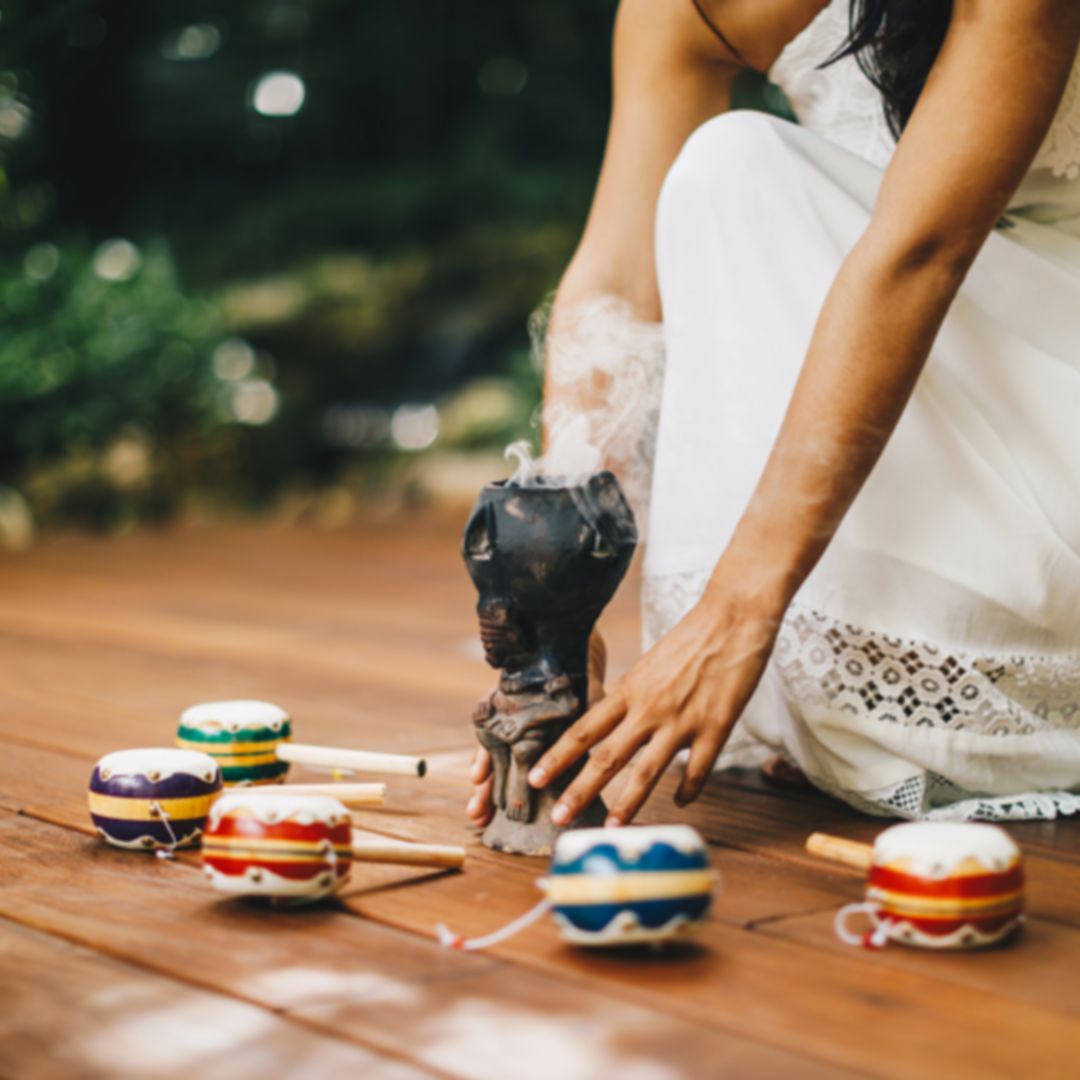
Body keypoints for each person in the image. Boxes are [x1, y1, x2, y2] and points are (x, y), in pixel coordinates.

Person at [468, 0, 1080, 831]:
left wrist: (736, 608)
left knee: (741, 165)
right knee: (723, 177)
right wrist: (563, 612)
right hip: (903, 383)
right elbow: (615, 280)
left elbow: (919, 255)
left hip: (1049, 373)